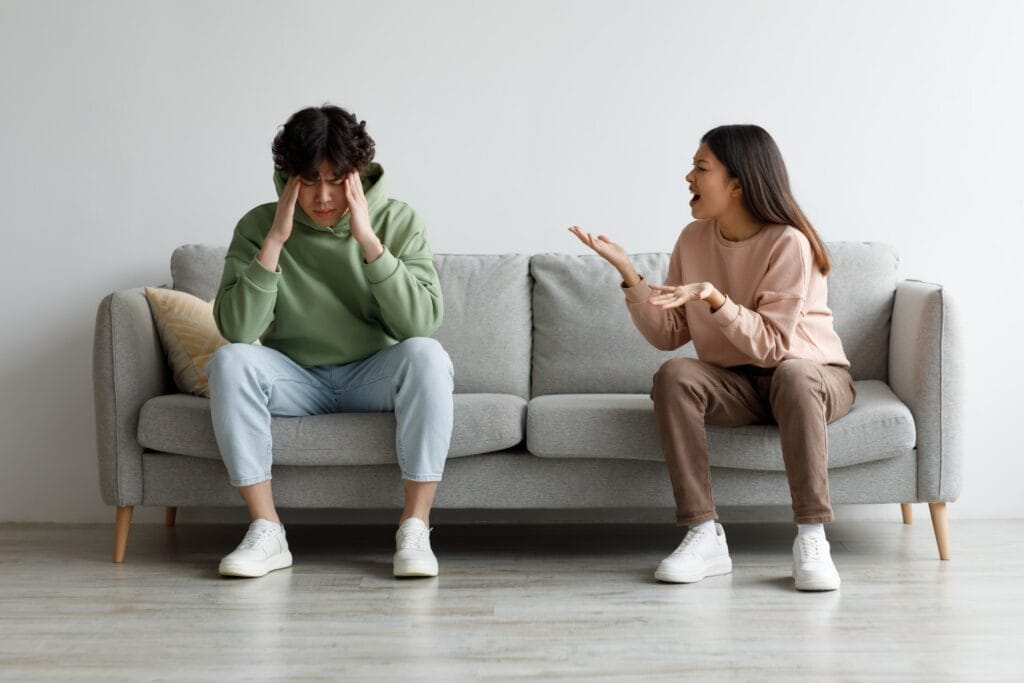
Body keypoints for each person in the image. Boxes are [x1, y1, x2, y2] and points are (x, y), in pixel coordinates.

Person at [570, 124, 855, 591]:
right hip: (739, 384)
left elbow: (773, 346)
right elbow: (668, 335)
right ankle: (705, 534)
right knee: (675, 374)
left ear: (738, 184)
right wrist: (628, 273)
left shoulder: (789, 243)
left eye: (701, 168)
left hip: (813, 378)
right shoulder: (693, 239)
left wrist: (716, 299)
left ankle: (812, 535)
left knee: (794, 374)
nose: (688, 178)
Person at [208, 104, 453, 579]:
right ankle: (266, 529)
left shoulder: (400, 221)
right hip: (294, 378)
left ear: (357, 174)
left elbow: (420, 323)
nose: (323, 197)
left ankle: (415, 528)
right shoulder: (258, 225)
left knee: (428, 355)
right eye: (309, 180)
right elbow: (238, 330)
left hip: (373, 375)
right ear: (289, 177)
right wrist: (275, 242)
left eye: (336, 180)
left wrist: (369, 242)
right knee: (230, 361)